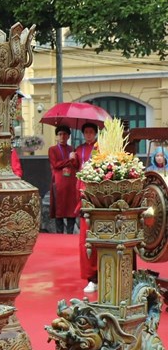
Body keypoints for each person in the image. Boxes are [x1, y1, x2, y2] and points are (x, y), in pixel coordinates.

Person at [77, 122, 99, 292]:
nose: (88, 135)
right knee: (85, 241)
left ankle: (100, 275)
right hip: (82, 194)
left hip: (97, 196)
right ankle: (91, 277)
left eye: (91, 132)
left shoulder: (100, 149)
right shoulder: (79, 149)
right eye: (86, 132)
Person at [48, 126, 79, 234]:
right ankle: (59, 233)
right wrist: (69, 160)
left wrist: (74, 158)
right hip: (59, 182)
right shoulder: (52, 149)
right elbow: (55, 164)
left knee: (71, 208)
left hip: (71, 183)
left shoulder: (72, 149)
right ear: (57, 136)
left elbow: (76, 165)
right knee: (59, 208)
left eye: (65, 134)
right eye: (60, 134)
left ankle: (70, 233)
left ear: (69, 136)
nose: (62, 136)